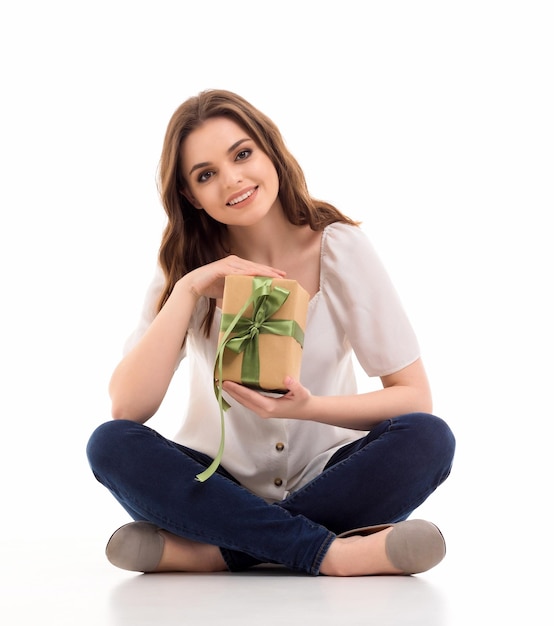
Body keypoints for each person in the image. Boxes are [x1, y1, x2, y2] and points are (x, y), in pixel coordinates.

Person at [86, 89, 456, 577]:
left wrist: (309, 407)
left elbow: (413, 398)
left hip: (329, 479)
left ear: (269, 150)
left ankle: (220, 551)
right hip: (210, 482)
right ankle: (334, 554)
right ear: (189, 196)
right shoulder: (183, 269)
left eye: (242, 154)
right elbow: (128, 410)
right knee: (110, 444)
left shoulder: (339, 248)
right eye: (205, 175)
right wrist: (189, 288)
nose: (232, 180)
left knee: (428, 438)